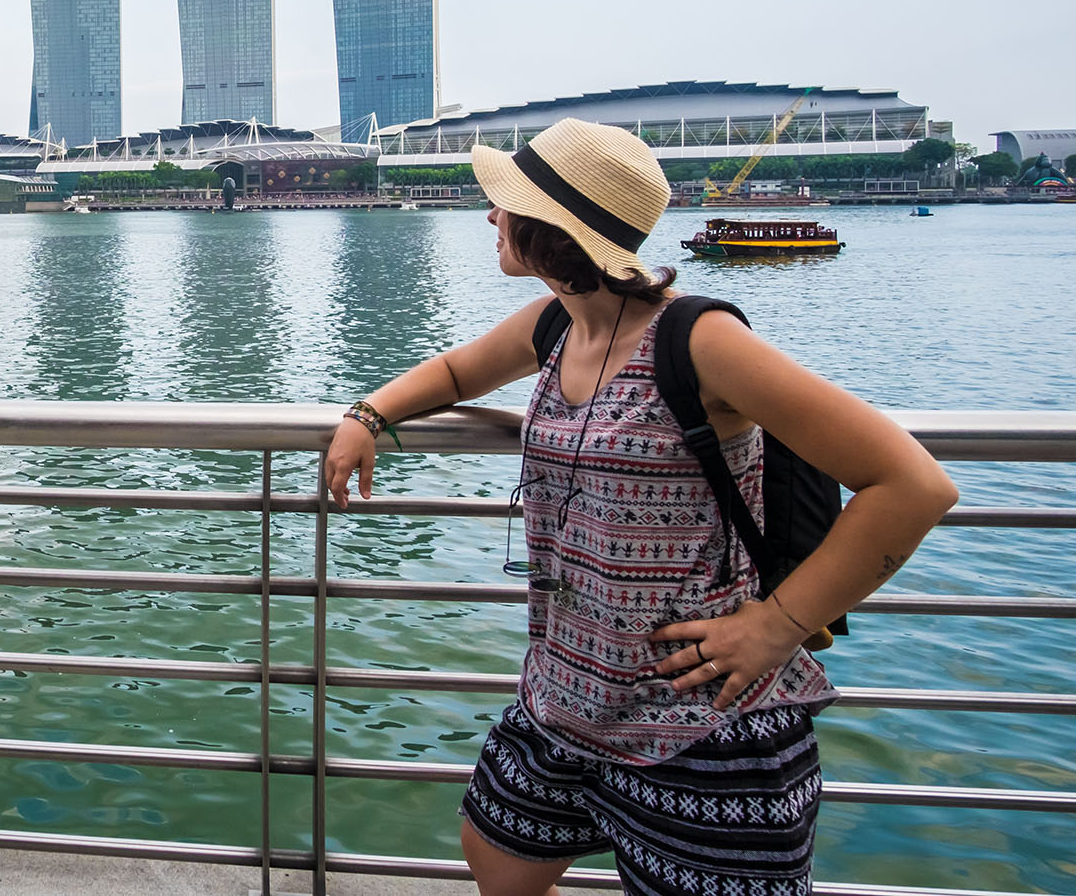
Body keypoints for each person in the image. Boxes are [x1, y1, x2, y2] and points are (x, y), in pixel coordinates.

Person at [322, 118, 958, 896]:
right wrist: (367, 414)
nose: (491, 216)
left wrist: (776, 625)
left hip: (701, 717)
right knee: (496, 853)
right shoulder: (558, 322)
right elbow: (457, 371)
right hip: (564, 696)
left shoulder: (701, 340)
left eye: (507, 203)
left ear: (553, 225)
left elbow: (914, 483)